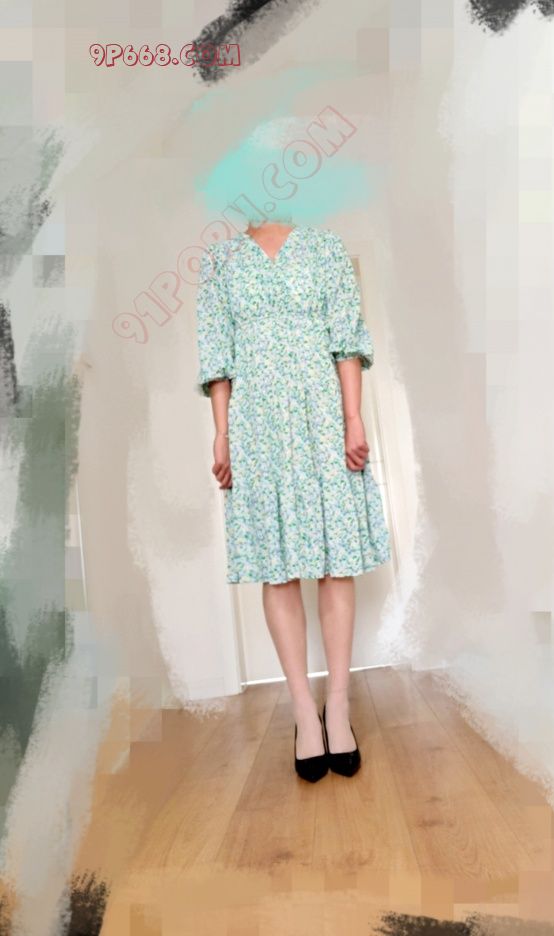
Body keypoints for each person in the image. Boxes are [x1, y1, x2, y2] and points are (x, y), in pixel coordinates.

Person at [195, 218, 391, 782]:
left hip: (321, 413)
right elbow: (217, 357)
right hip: (256, 423)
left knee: (334, 559)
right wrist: (222, 433)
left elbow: (346, 340)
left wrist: (353, 419)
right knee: (276, 566)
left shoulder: (325, 247)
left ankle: (339, 706)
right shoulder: (219, 261)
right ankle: (304, 712)